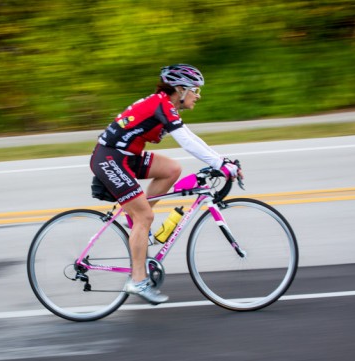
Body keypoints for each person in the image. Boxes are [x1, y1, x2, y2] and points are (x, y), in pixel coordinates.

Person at [90, 64, 242, 304]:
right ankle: (137, 281)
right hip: (110, 158)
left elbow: (191, 137)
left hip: (127, 156)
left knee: (172, 169)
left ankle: (139, 224)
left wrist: (221, 161)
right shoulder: (161, 105)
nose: (198, 95)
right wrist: (221, 164)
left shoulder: (166, 106)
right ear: (180, 89)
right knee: (144, 218)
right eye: (195, 90)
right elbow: (187, 143)